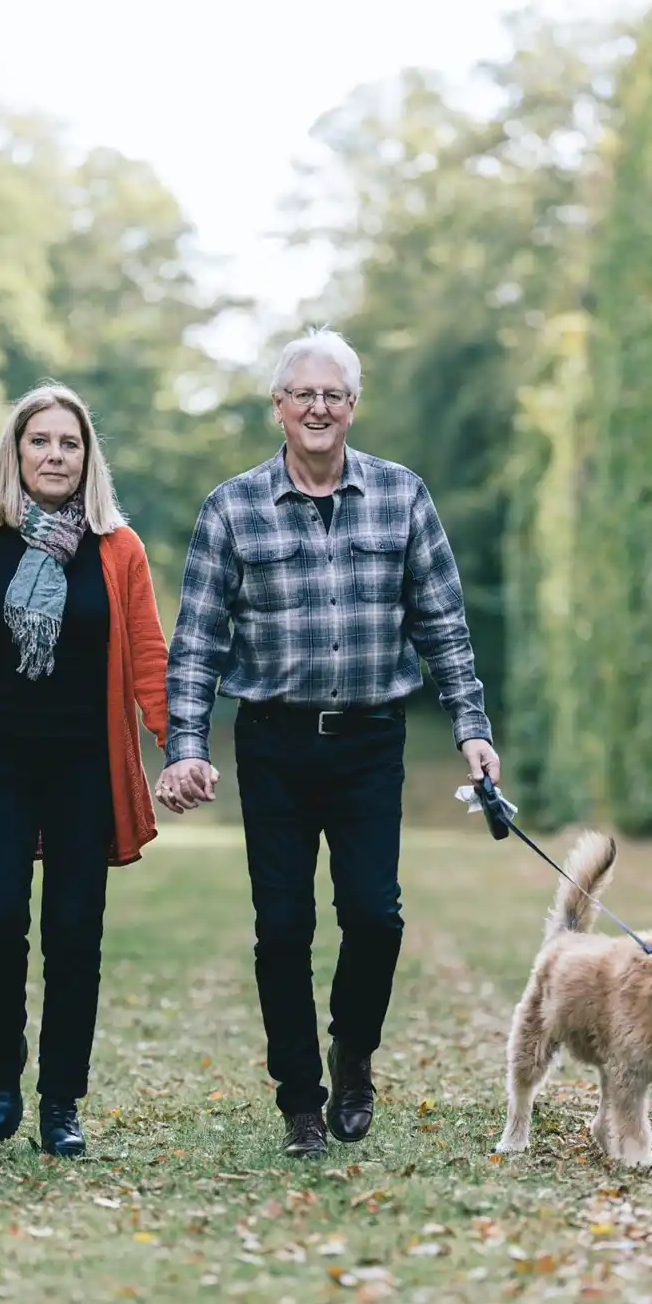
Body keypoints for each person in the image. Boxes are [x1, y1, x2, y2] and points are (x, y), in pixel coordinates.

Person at [157, 328, 500, 1156]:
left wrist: (473, 729)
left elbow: (442, 624)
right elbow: (197, 641)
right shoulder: (231, 508)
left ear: (353, 406)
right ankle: (301, 1100)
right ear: (278, 407)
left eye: (334, 395)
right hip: (272, 745)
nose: (319, 408)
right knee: (281, 930)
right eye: (303, 394)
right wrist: (186, 746)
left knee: (374, 918)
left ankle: (354, 1054)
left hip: (369, 744)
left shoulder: (401, 496)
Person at [0, 384, 168, 1158]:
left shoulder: (118, 548)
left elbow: (150, 662)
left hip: (83, 767)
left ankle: (61, 1099)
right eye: (40, 442)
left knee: (74, 937)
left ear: (87, 458)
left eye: (69, 443)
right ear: (16, 452)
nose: (54, 455)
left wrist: (179, 742)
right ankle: (4, 1049)